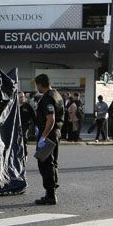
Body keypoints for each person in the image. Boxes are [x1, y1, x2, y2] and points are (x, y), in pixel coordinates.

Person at [34, 73, 64, 205]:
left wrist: (43, 137)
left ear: (40, 84)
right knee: (52, 163)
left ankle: (50, 194)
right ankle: (51, 192)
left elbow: (50, 120)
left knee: (45, 164)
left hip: (48, 134)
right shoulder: (57, 95)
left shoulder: (47, 98)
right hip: (56, 132)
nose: (37, 88)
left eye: (37, 85)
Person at [18, 91, 36, 160]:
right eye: (20, 97)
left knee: (24, 139)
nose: (22, 98)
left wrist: (37, 125)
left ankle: (25, 154)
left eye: (23, 97)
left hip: (25, 125)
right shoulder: (14, 106)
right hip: (16, 126)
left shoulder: (27, 106)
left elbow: (34, 116)